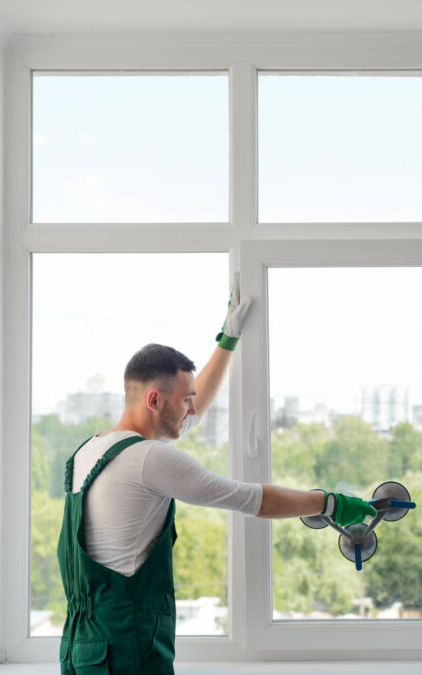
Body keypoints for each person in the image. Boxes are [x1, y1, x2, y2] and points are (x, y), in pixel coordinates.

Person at [57, 274, 377, 675]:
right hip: (128, 653)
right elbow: (250, 499)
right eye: (185, 399)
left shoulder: (90, 451)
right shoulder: (149, 460)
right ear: (154, 399)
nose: (193, 410)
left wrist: (227, 340)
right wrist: (330, 503)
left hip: (82, 651)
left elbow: (188, 415)